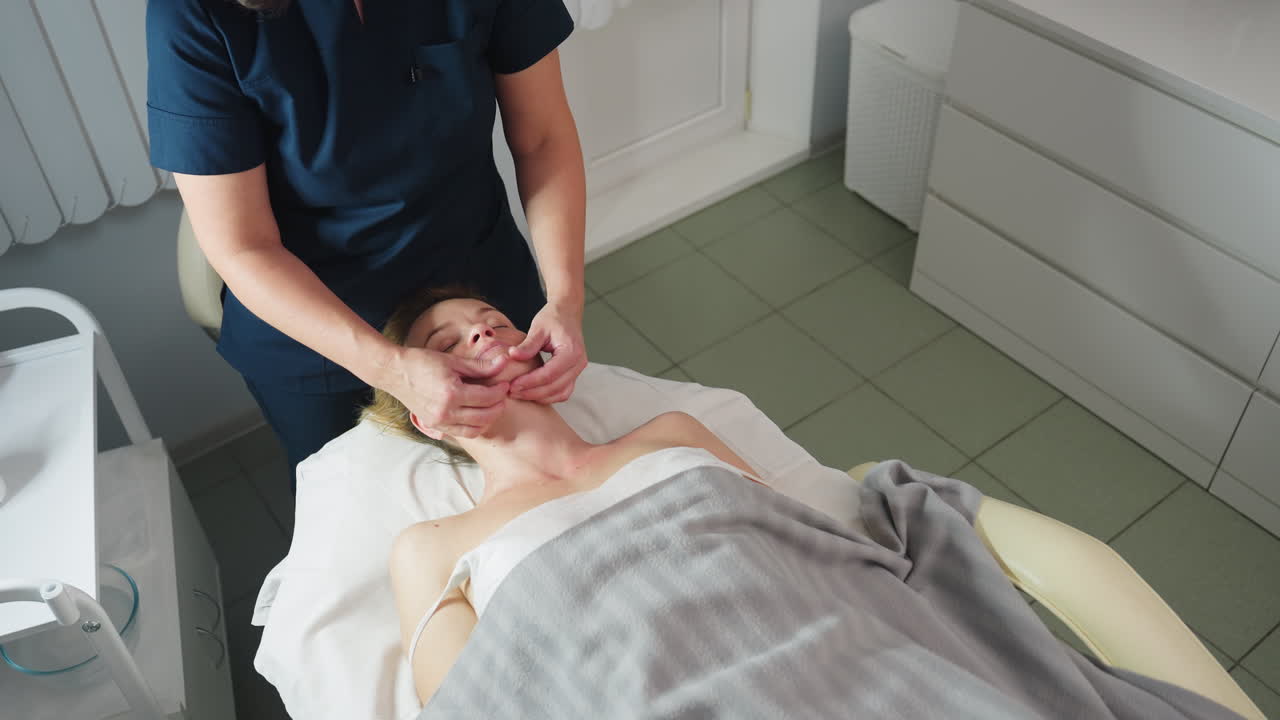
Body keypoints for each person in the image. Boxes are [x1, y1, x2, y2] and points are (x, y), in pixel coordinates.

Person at [146, 0, 590, 484]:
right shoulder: (194, 12)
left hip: (480, 285)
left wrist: (565, 298)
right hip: (320, 332)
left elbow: (542, 139)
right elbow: (242, 245)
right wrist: (391, 370)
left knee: (544, 476)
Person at [360, 287, 762, 704]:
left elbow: (796, 535)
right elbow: (461, 706)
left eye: (497, 323)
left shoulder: (675, 432)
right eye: (447, 345)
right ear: (428, 419)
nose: (482, 330)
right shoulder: (430, 548)